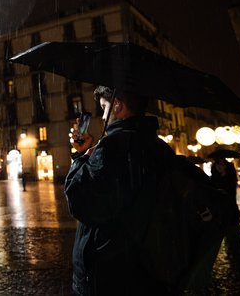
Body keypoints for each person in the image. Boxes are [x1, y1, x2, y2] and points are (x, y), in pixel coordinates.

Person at [65, 86, 171, 295]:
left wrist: (82, 159)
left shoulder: (113, 146)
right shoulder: (159, 147)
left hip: (110, 271)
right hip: (147, 267)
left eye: (104, 107)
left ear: (118, 106)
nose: (103, 115)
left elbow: (79, 199)